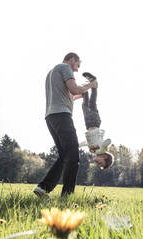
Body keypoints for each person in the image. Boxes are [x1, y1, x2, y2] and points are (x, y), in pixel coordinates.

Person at [34, 52, 97, 199]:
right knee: (73, 155)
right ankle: (67, 196)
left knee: (64, 155)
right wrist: (91, 85)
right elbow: (74, 88)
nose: (76, 70)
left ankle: (43, 187)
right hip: (62, 116)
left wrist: (81, 93)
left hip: (50, 117)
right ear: (72, 60)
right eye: (77, 66)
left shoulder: (52, 72)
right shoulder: (65, 68)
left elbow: (69, 94)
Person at [79, 72, 114, 170]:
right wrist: (103, 146)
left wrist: (78, 145)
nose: (98, 164)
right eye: (101, 163)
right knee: (92, 103)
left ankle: (84, 91)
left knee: (85, 106)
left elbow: (87, 142)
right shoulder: (102, 149)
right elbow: (108, 141)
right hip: (94, 122)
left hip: (88, 124)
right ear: (104, 157)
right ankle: (94, 85)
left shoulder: (93, 151)